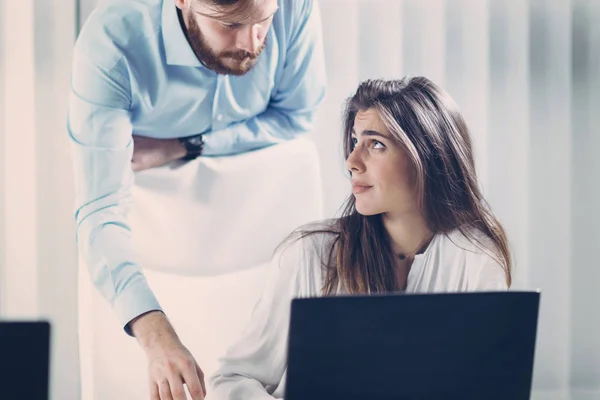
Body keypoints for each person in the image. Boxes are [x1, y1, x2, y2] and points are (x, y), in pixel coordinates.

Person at [67, 0, 326, 398]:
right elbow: (100, 209)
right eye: (229, 24)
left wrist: (187, 145)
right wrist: (156, 336)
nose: (251, 42)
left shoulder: (295, 5)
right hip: (148, 249)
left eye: (264, 21)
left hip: (264, 233)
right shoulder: (112, 42)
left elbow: (295, 116)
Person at [209, 76, 512, 399]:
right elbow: (233, 378)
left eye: (375, 144)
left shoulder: (476, 257)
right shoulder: (310, 253)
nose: (352, 162)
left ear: (427, 156)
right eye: (355, 142)